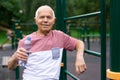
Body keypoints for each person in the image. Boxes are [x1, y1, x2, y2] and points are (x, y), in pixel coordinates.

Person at [8, 5, 87, 80]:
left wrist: (79, 57)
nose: (45, 20)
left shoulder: (60, 36)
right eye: (42, 17)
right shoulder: (26, 41)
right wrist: (15, 57)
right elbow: (11, 67)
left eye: (49, 17)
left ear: (54, 21)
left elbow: (79, 43)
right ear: (35, 20)